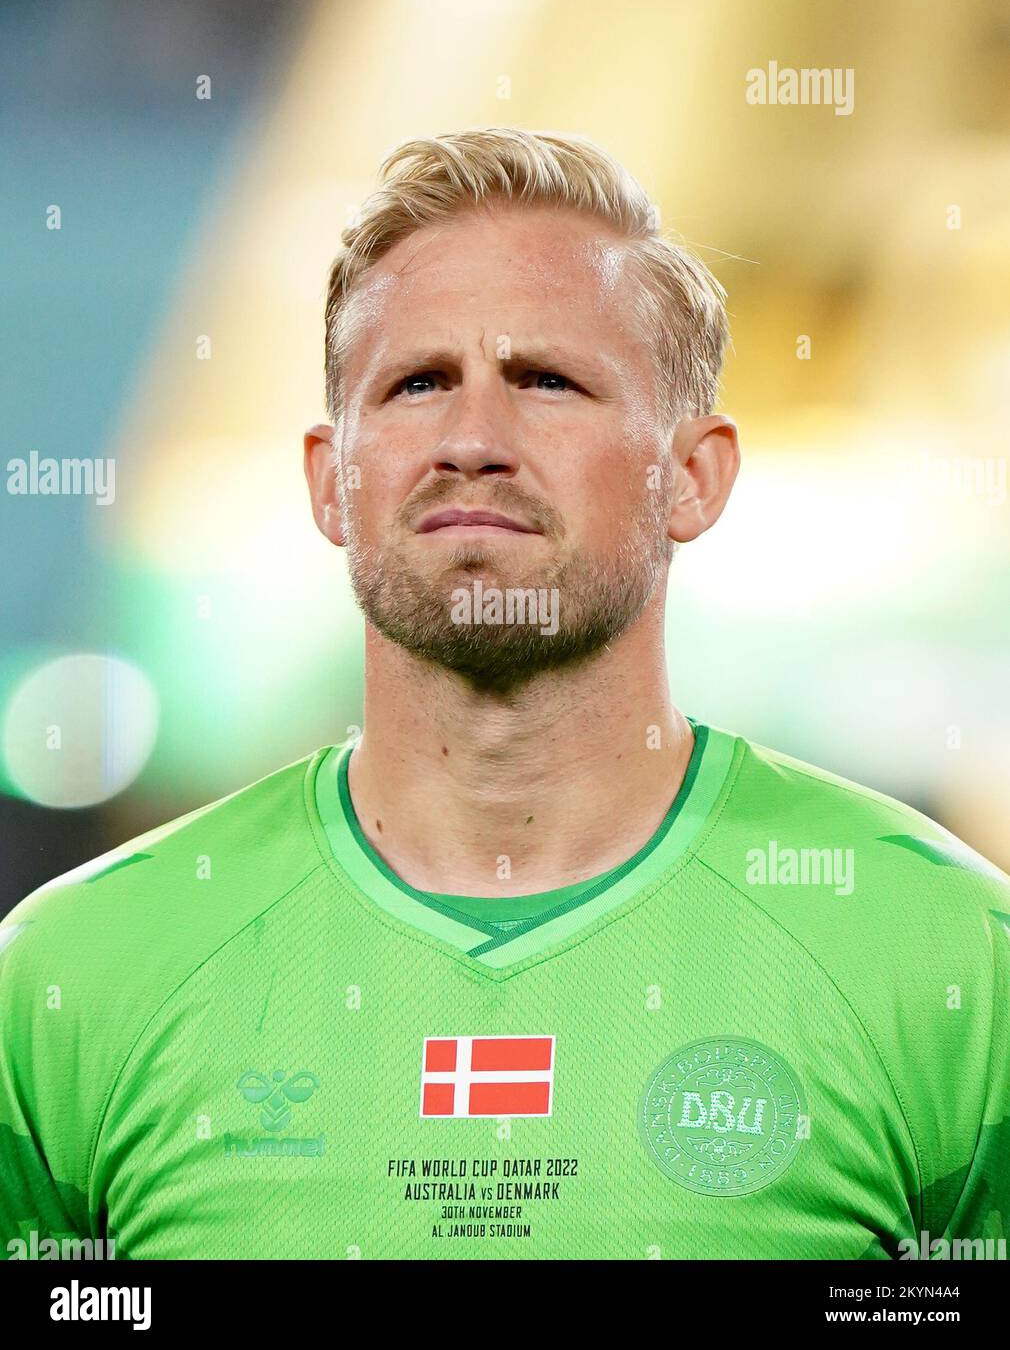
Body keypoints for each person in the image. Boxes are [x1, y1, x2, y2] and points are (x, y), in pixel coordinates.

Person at [2, 128, 1008, 1261]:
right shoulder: (69, 976)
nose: (472, 440)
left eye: (545, 380)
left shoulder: (953, 958)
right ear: (330, 482)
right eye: (418, 383)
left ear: (690, 475)